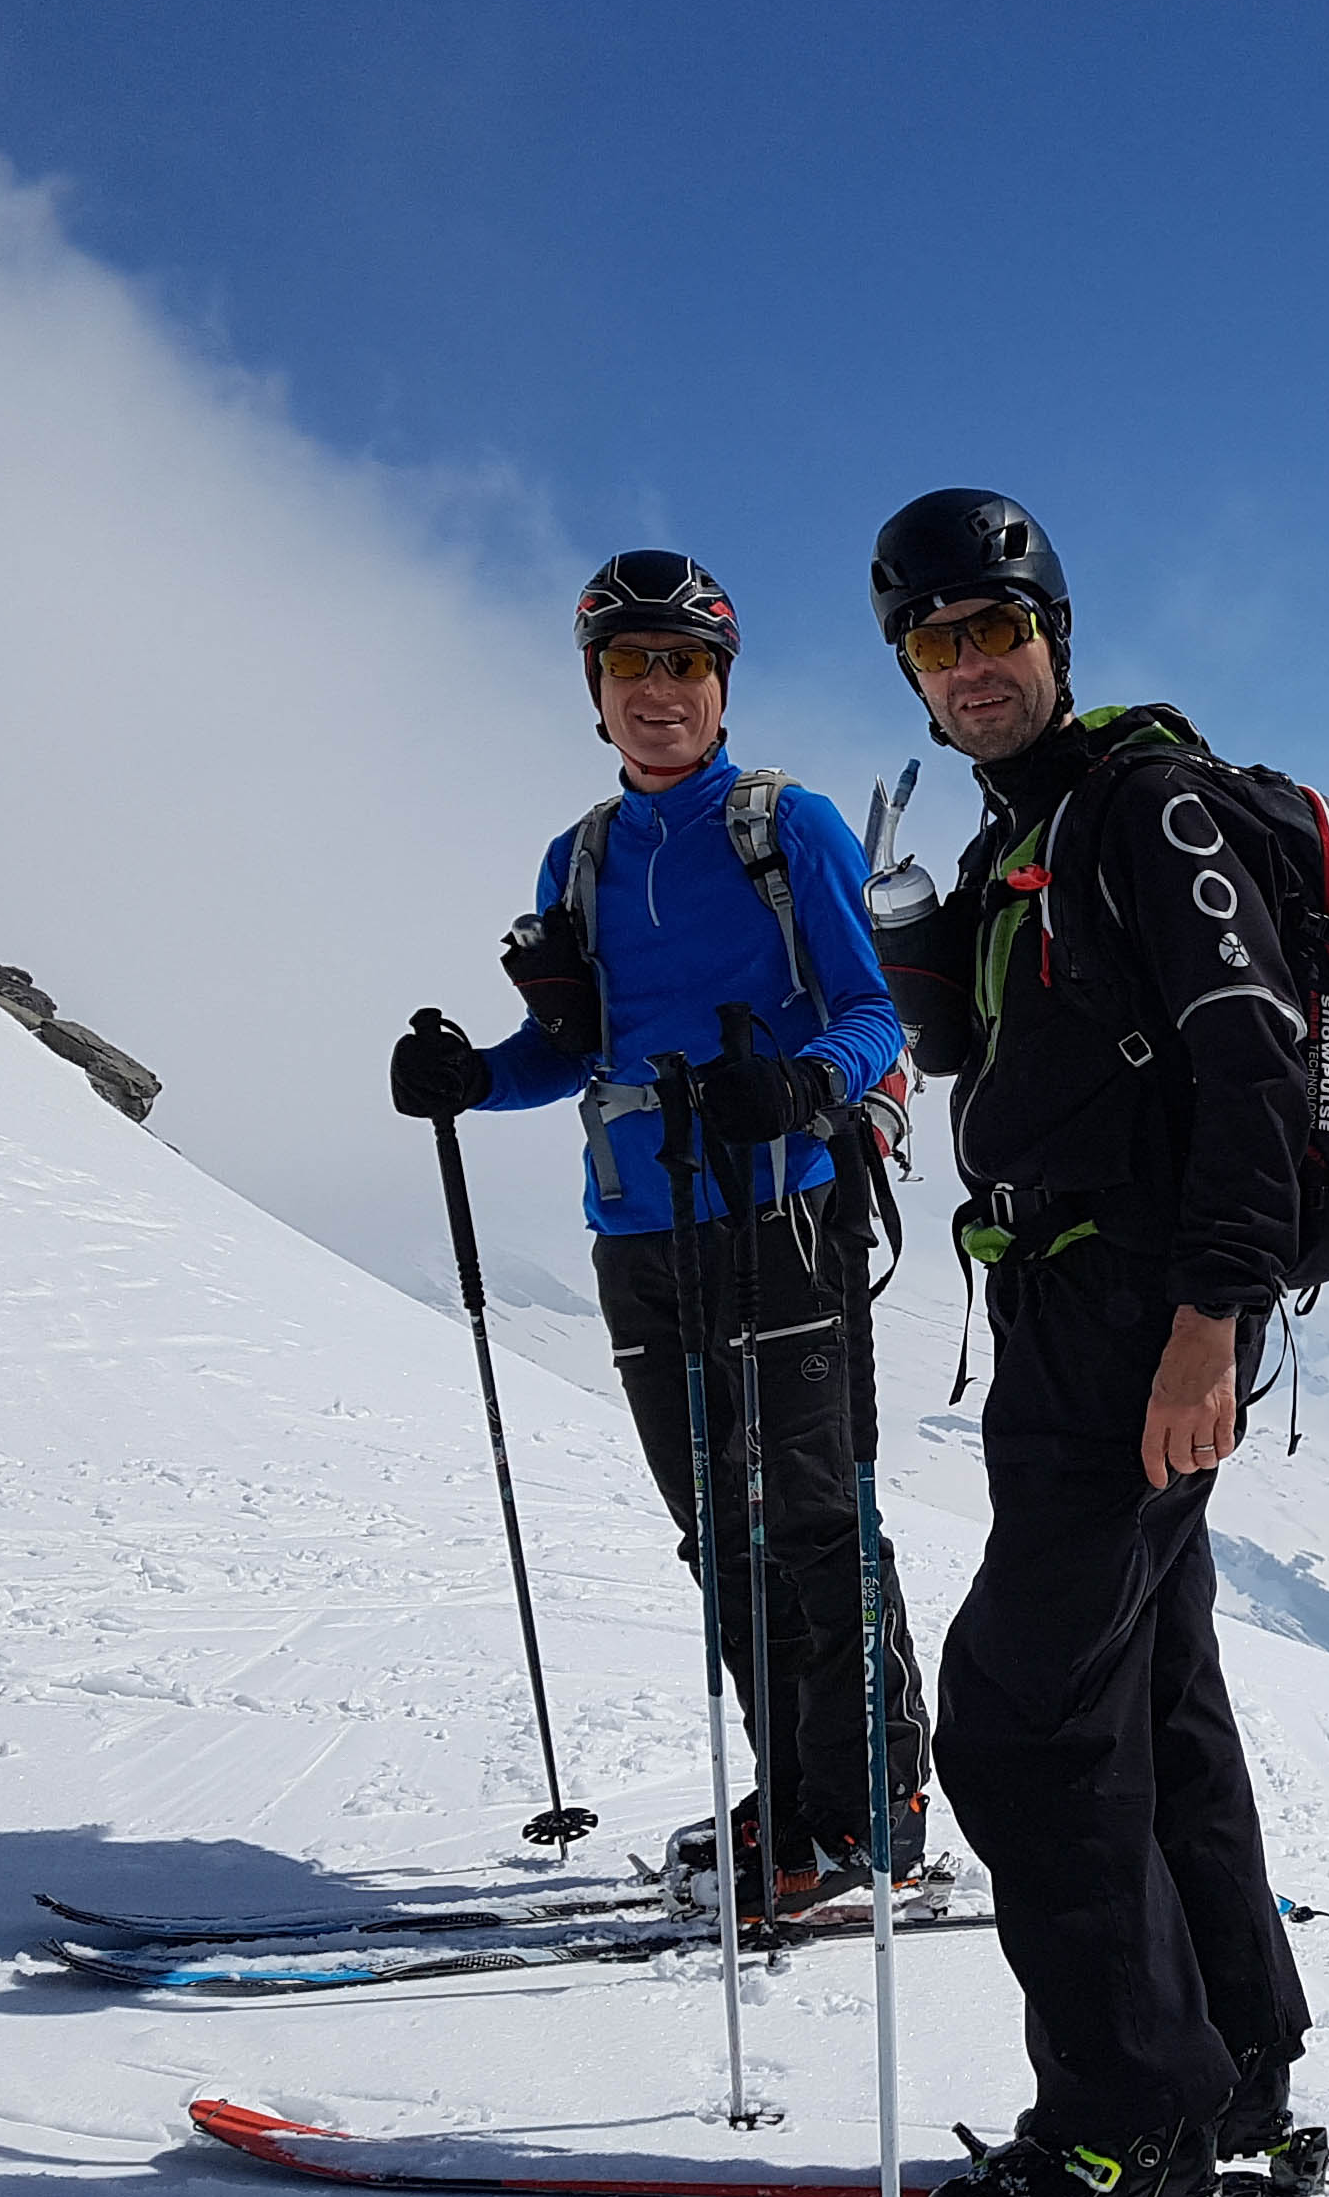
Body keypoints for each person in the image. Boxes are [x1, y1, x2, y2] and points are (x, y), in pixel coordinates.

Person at [864, 489, 1316, 2197]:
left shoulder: (1143, 806)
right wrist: (919, 939)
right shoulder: (1023, 837)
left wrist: (1213, 1321)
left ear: (1056, 632)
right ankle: (1234, 2076)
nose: (973, 665)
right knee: (1148, 1698)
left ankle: (1128, 2128)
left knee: (1022, 1714)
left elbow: (1253, 1072)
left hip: (1141, 1323)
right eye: (937, 641)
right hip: (1068, 1315)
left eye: (997, 628)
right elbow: (993, 1052)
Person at [388, 549, 930, 1912]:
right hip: (639, 1229)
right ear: (596, 689)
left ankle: (873, 1808)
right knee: (719, 1534)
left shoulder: (786, 825)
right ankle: (794, 1809)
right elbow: (569, 1054)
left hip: (786, 1212)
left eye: (682, 662)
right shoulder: (578, 858)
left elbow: (877, 1017)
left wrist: (805, 1085)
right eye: (630, 664)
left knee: (815, 1525)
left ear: (721, 683)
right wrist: (472, 1077)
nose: (658, 689)